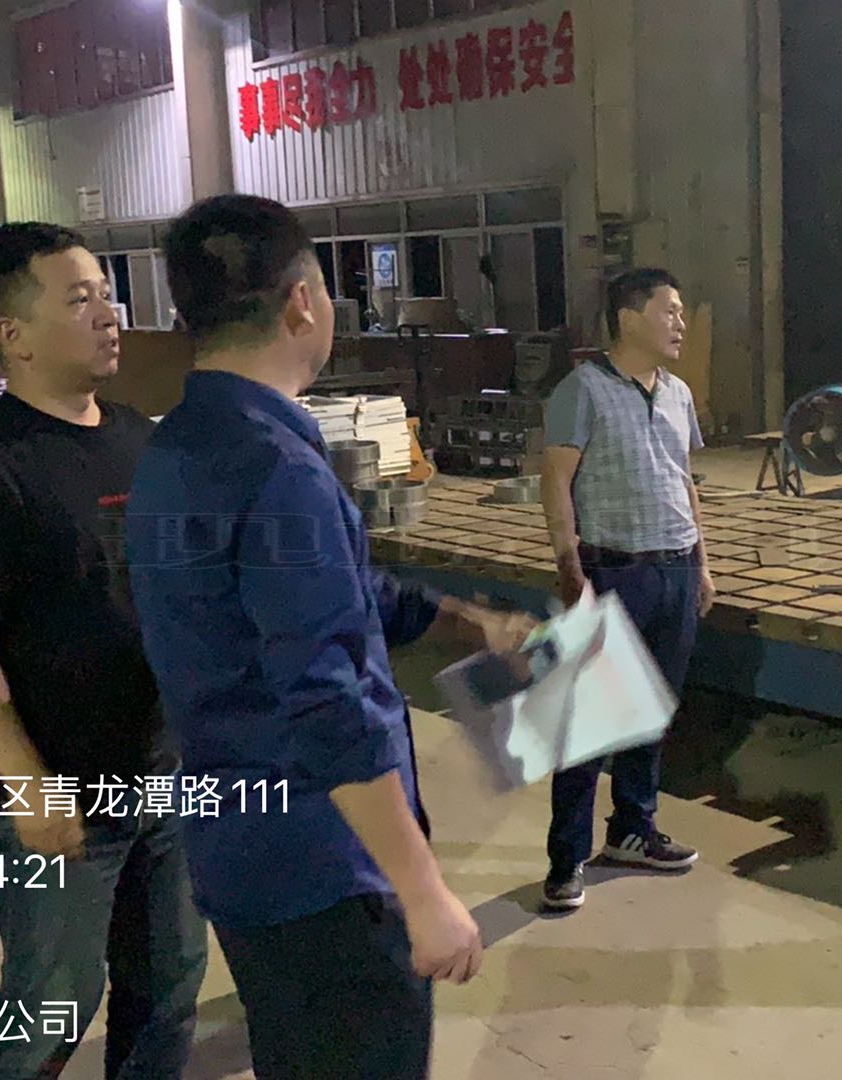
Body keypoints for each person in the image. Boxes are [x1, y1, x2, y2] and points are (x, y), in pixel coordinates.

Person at [126, 194, 537, 1079]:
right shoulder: (281, 469)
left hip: (239, 851)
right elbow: (325, 700)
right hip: (325, 869)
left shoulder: (176, 448)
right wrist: (423, 894)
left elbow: (316, 597)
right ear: (302, 302)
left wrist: (463, 623)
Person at [0, 222, 206, 1080]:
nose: (109, 316)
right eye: (80, 301)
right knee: (52, 1002)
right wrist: (25, 780)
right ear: (14, 335)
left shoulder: (140, 438)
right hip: (59, 787)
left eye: (107, 296)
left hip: (162, 772)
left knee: (170, 984)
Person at [536, 267, 712, 912]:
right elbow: (556, 481)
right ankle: (566, 859)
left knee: (651, 711)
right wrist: (569, 564)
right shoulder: (581, 389)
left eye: (682, 312)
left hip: (676, 567)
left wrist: (703, 564)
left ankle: (633, 830)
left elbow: (683, 480)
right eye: (670, 310)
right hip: (613, 571)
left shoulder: (679, 394)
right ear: (629, 317)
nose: (681, 323)